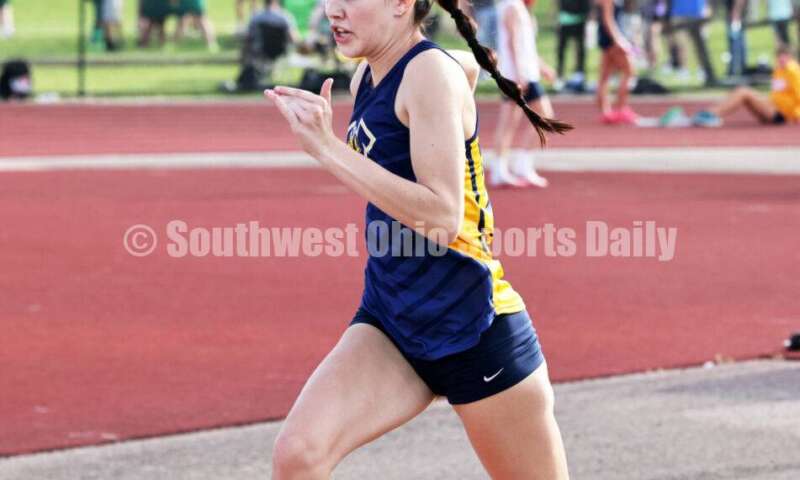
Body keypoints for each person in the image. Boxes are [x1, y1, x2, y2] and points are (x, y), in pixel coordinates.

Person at [264, 0, 572, 477]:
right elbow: (462, 69)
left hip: (474, 327)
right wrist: (475, 63)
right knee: (299, 454)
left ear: (401, 4)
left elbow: (442, 216)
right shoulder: (368, 76)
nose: (332, 10)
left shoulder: (428, 72)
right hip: (392, 319)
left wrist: (327, 148)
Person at [491, 0, 554, 187]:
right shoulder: (511, 7)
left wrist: (542, 67)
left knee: (510, 121)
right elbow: (512, 42)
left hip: (519, 73)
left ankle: (502, 169)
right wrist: (519, 73)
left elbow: (525, 45)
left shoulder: (516, 7)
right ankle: (521, 164)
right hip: (519, 75)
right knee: (545, 117)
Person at [692, 44, 800, 127]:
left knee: (744, 92)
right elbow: (778, 93)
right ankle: (709, 113)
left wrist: (796, 115)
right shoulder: (778, 71)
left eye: (784, 56)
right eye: (779, 56)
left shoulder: (793, 71)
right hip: (773, 108)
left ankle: (711, 114)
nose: (781, 59)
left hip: (783, 114)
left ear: (790, 57)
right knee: (741, 92)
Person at [596, 0, 638, 124]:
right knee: (629, 72)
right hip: (611, 38)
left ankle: (606, 113)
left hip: (606, 37)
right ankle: (621, 109)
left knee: (604, 76)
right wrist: (619, 41)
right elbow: (608, 19)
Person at [556, 0, 591, 92]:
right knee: (561, 50)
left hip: (580, 21)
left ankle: (580, 75)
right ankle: (560, 76)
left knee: (580, 50)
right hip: (565, 21)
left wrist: (589, 18)